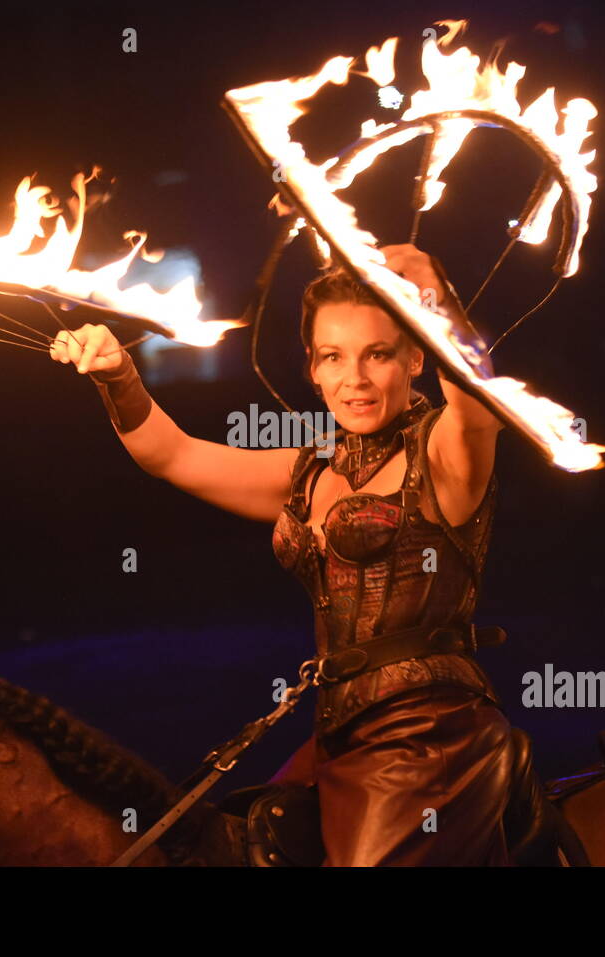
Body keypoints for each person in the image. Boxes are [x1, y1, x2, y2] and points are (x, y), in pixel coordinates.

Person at [50, 244, 515, 865]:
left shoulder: (443, 456)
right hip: (340, 731)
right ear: (314, 370)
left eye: (378, 354)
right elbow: (173, 455)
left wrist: (437, 298)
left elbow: (480, 410)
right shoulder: (307, 472)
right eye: (334, 357)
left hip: (432, 735)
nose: (356, 378)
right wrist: (118, 375)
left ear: (416, 358)